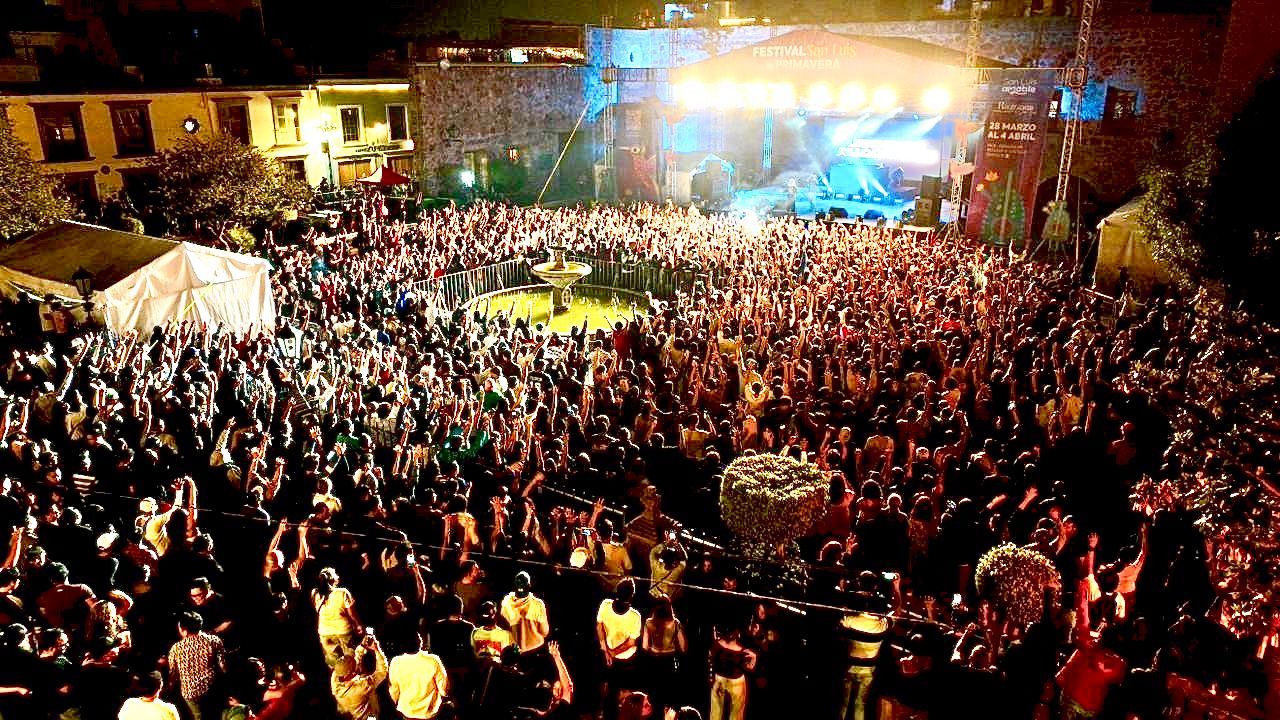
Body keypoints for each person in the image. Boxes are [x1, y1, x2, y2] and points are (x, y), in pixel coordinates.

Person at [837, 578, 891, 720]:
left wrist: (843, 594)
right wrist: (896, 589)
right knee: (860, 703)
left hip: (849, 668)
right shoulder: (883, 625)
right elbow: (894, 612)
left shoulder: (852, 621)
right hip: (868, 671)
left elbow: (840, 623)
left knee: (844, 703)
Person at [167, 611, 225, 720]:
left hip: (190, 693)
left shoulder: (176, 648)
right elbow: (223, 667)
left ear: (184, 630)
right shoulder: (214, 641)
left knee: (198, 716)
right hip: (211, 688)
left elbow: (173, 673)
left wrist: (170, 687)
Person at [598, 578, 643, 718]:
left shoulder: (605, 605)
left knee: (614, 692)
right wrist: (610, 652)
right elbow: (631, 643)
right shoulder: (635, 616)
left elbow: (599, 626)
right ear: (632, 596)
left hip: (612, 657)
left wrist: (606, 650)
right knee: (620, 693)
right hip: (624, 659)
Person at [388, 631, 448, 720]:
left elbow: (394, 691)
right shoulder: (433, 660)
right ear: (420, 642)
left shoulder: (396, 662)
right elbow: (443, 688)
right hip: (429, 713)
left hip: (407, 711)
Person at [331, 632, 388, 720]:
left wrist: (362, 646)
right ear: (353, 673)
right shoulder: (362, 686)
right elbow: (382, 672)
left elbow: (353, 665)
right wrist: (376, 649)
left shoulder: (335, 678)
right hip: (368, 717)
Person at [313, 567, 361, 667]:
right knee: (350, 662)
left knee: (334, 664)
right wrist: (358, 626)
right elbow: (352, 614)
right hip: (343, 632)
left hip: (325, 633)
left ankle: (336, 681)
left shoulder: (315, 594)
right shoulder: (343, 592)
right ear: (333, 579)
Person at [708, 623, 755, 720]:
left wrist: (753, 659)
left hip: (734, 682)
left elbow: (749, 667)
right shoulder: (718, 645)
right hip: (722, 681)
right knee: (718, 713)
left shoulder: (742, 650)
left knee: (733, 714)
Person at [500, 572, 550, 654]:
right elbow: (544, 631)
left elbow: (502, 627)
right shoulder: (537, 604)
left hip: (514, 651)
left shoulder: (506, 602)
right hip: (535, 648)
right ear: (529, 585)